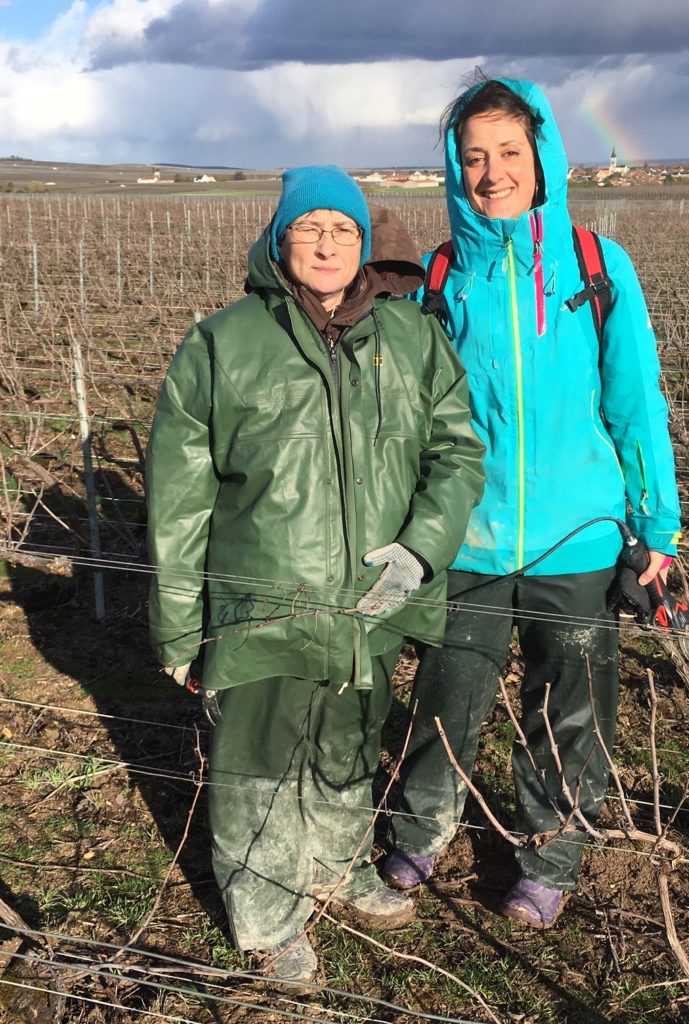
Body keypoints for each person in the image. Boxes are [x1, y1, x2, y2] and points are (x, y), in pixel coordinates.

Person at [146, 165, 485, 987]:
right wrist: (179, 625)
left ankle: (337, 866)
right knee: (255, 764)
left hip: (373, 604)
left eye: (343, 229)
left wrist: (421, 549)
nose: (327, 244)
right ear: (278, 240)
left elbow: (458, 451)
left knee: (348, 745)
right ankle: (266, 913)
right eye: (309, 228)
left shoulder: (413, 338)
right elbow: (179, 502)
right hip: (262, 602)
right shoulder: (223, 344)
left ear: (365, 245)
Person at [383, 78, 682, 928]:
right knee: (450, 693)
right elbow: (413, 418)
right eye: (473, 156)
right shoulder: (440, 277)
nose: (491, 172)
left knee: (572, 707)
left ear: (542, 157)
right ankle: (423, 827)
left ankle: (549, 853)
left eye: (509, 152)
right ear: (453, 165)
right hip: (470, 537)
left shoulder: (596, 265)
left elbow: (635, 403)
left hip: (580, 535)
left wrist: (656, 524)